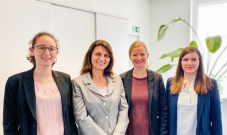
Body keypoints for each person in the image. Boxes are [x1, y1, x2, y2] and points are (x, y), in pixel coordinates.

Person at [3, 32, 78, 135]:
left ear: (56, 52)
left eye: (51, 49)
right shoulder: (15, 82)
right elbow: (9, 125)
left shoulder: (65, 79)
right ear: (32, 51)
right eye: (41, 48)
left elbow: (70, 119)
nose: (47, 53)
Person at [72, 40, 129, 135]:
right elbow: (81, 118)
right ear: (90, 56)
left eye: (106, 55)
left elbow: (123, 109)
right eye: (98, 54)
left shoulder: (117, 80)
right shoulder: (78, 83)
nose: (102, 58)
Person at [166, 46, 222, 135]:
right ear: (180, 62)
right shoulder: (171, 83)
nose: (189, 63)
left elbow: (217, 120)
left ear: (199, 61)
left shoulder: (210, 84)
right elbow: (166, 117)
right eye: (185, 59)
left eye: (194, 59)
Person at [120, 41, 168, 135]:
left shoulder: (157, 78)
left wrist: (163, 133)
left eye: (142, 54)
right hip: (128, 132)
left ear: (147, 55)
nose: (139, 58)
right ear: (130, 57)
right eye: (135, 55)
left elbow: (164, 110)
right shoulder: (122, 78)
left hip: (152, 132)